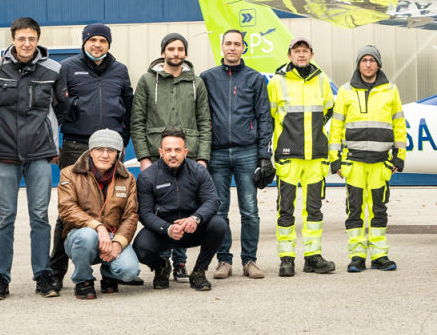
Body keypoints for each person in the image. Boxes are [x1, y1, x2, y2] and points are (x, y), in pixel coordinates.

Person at [0, 17, 68, 300]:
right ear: (12, 39)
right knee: (5, 218)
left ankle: (42, 275)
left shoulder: (54, 69)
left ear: (38, 39)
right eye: (21, 38)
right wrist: (0, 130)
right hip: (4, 155)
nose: (26, 44)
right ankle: (1, 278)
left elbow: (61, 108)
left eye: (32, 38)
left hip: (40, 154)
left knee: (40, 217)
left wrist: (44, 132)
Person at [49, 23, 134, 288]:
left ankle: (111, 271)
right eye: (92, 40)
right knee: (69, 211)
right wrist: (55, 144)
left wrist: (122, 144)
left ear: (109, 44)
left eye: (102, 40)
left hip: (110, 146)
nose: (97, 44)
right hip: (77, 143)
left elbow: (129, 108)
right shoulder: (68, 67)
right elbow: (56, 107)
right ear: (84, 42)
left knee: (114, 206)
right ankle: (55, 272)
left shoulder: (120, 70)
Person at [130, 33, 211, 281]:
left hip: (190, 155)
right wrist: (143, 157)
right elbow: (137, 122)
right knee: (161, 208)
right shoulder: (146, 81)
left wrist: (202, 159)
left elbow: (205, 122)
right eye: (171, 49)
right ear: (163, 52)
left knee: (186, 206)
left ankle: (181, 262)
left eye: (180, 49)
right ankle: (162, 259)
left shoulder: (196, 83)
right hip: (157, 157)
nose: (176, 53)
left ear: (185, 53)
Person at [202, 29, 273, 280]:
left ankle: (250, 260)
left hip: (247, 152)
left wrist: (264, 155)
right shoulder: (207, 78)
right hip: (217, 153)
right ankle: (224, 261)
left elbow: (265, 117)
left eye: (237, 44)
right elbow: (200, 116)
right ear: (221, 47)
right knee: (218, 211)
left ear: (244, 48)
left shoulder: (255, 79)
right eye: (228, 43)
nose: (232, 48)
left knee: (250, 210)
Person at [330, 46, 405, 273]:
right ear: (358, 64)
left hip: (380, 163)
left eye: (372, 60)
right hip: (353, 162)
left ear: (378, 64)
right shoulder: (345, 91)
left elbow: (399, 125)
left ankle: (380, 255)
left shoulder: (391, 91)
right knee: (355, 210)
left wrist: (399, 157)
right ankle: (357, 256)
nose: (368, 64)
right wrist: (335, 160)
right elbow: (336, 127)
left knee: (378, 209)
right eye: (364, 60)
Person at [268, 37, 336, 278]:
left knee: (314, 210)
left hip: (316, 157)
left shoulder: (322, 80)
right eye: (296, 51)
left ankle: (312, 257)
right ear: (289, 55)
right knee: (285, 210)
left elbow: (329, 113)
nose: (301, 55)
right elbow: (270, 118)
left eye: (305, 51)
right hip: (288, 157)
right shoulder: (277, 82)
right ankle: (286, 259)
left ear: (311, 54)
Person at [133, 126, 225, 292]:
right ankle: (162, 267)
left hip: (193, 227)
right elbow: (144, 213)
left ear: (186, 151)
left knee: (219, 224)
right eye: (168, 150)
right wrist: (167, 228)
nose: (173, 154)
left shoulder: (198, 171)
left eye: (177, 149)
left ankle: (199, 272)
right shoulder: (148, 176)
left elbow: (212, 200)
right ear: (160, 152)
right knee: (140, 247)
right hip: (164, 231)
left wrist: (195, 218)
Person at [57, 129, 141, 299]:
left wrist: (117, 243)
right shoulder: (70, 173)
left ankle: (109, 274)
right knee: (88, 235)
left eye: (110, 150)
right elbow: (67, 208)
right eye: (99, 149)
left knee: (129, 271)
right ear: (91, 151)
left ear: (117, 153)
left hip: (112, 236)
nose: (104, 154)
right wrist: (98, 227)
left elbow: (131, 215)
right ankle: (83, 280)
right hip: (80, 236)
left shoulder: (128, 178)